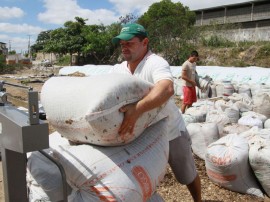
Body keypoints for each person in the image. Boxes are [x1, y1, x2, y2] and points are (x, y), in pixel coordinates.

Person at [111, 23, 202, 202]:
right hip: (142, 135)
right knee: (140, 177)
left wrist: (137, 109)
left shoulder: (155, 63)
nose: (124, 47)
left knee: (186, 174)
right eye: (122, 44)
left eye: (129, 43)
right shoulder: (118, 69)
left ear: (145, 42)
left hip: (170, 130)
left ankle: (198, 200)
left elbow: (167, 88)